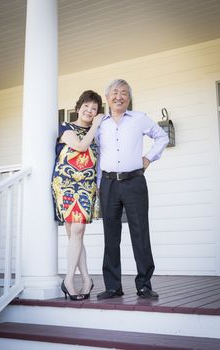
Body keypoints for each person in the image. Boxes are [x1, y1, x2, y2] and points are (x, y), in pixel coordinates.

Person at [96, 79, 169, 300]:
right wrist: (99, 184)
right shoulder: (100, 124)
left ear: (129, 98)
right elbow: (97, 154)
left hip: (134, 182)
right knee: (111, 235)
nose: (120, 96)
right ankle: (112, 286)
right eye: (115, 92)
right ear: (107, 97)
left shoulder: (139, 118)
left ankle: (144, 285)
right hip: (108, 184)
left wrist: (148, 158)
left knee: (140, 232)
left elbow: (162, 136)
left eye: (124, 93)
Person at [51, 90, 103, 301]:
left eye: (94, 109)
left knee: (76, 234)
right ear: (79, 106)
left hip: (87, 185)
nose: (90, 111)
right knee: (77, 232)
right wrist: (96, 126)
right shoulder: (66, 127)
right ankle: (70, 280)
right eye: (87, 106)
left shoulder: (97, 134)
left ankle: (86, 280)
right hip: (66, 183)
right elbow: (81, 147)